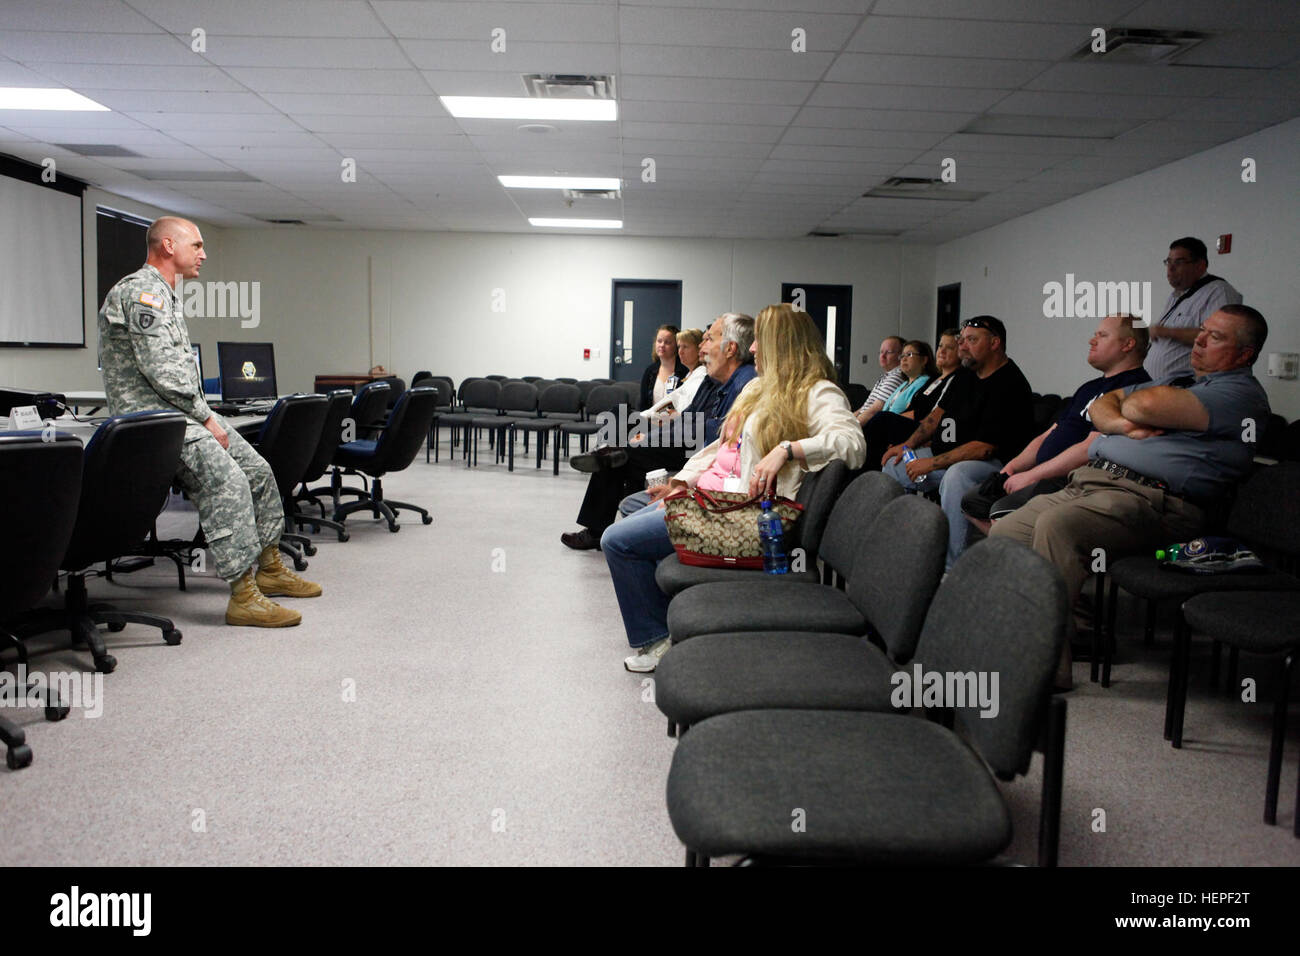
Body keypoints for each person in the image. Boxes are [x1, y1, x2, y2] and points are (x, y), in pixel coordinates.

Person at [990, 305, 1271, 688]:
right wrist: (1124, 422)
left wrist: (1130, 410)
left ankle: (1046, 665)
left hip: (1157, 502)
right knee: (1006, 532)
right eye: (1202, 331)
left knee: (1057, 527)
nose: (1200, 341)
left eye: (1216, 337)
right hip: (1095, 484)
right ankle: (1044, 631)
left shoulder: (1240, 396)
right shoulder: (1183, 381)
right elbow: (1104, 406)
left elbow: (1140, 402)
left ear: (1244, 355)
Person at [601, 304, 866, 673]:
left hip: (737, 514)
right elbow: (718, 449)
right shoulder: (760, 388)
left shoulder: (817, 392)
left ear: (783, 343)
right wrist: (682, 481)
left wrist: (788, 449)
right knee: (631, 511)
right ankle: (676, 622)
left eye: (761, 340)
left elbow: (852, 444)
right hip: (711, 496)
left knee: (616, 541)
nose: (753, 349)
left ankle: (658, 638)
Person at [97, 216, 319, 628]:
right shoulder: (143, 293)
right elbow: (163, 374)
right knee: (227, 482)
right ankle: (243, 594)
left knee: (257, 470)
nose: (204, 252)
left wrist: (206, 416)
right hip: (154, 421)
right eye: (196, 245)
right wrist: (207, 418)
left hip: (181, 413)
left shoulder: (165, 293)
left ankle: (269, 568)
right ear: (167, 245)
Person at [561, 316, 755, 549]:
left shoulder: (743, 384)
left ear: (731, 348)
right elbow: (684, 415)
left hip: (695, 449)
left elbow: (704, 434)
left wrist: (649, 436)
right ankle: (617, 516)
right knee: (621, 431)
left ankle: (605, 522)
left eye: (708, 339)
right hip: (687, 439)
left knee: (623, 454)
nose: (702, 347)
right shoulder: (711, 379)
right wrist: (648, 431)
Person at [962, 315, 1152, 532]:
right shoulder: (1089, 387)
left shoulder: (1136, 388)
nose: (1092, 340)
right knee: (972, 501)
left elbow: (1089, 448)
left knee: (1001, 513)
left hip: (1072, 480)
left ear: (1128, 344)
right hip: (1042, 474)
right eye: (1094, 334)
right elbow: (1048, 434)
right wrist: (1011, 469)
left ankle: (1019, 551)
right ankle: (1019, 549)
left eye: (1102, 335)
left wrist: (1033, 475)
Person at [882, 315, 1035, 569]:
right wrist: (907, 446)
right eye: (962, 340)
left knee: (957, 476)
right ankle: (905, 546)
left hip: (996, 468)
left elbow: (984, 447)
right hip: (948, 457)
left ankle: (953, 568)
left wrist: (930, 463)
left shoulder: (1010, 383)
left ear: (995, 342)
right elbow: (936, 416)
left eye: (971, 340)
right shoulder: (966, 375)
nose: (962, 346)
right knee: (893, 466)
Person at [1146, 236, 1242, 381]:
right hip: (1159, 389)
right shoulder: (1175, 296)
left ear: (1200, 265)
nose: (1171, 268)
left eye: (1179, 262)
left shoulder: (1219, 292)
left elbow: (1220, 339)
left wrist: (1168, 332)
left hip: (1187, 389)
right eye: (1168, 262)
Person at [862, 330, 962, 468]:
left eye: (949, 347)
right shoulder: (933, 380)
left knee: (882, 420)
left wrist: (895, 423)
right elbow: (913, 408)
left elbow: (927, 414)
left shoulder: (956, 379)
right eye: (940, 346)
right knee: (881, 422)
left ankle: (864, 475)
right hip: (915, 424)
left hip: (930, 430)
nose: (942, 351)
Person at [854, 336, 906, 424]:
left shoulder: (897, 376)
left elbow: (874, 411)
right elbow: (864, 408)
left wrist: (850, 428)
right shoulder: (887, 375)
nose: (883, 356)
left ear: (901, 355)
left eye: (888, 352)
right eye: (881, 352)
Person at [639, 325, 688, 411]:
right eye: (659, 341)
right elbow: (643, 405)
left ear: (677, 346)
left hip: (676, 422)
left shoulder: (685, 372)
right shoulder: (650, 371)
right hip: (651, 421)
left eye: (667, 342)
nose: (662, 345)